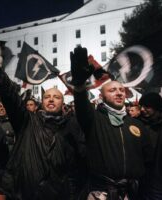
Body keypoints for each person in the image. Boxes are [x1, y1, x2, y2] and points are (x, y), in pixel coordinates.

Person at [0, 33, 86, 200]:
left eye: (56, 97)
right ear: (41, 102)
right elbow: (10, 96)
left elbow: (77, 168)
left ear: (63, 104)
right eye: (47, 97)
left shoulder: (71, 127)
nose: (51, 99)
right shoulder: (28, 121)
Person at [70, 45, 153, 200]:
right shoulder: (93, 119)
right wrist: (79, 85)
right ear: (102, 97)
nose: (119, 92)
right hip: (101, 193)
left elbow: (148, 162)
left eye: (121, 90)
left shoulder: (137, 125)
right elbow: (81, 105)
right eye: (112, 90)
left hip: (132, 194)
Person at [139, 92, 162, 199]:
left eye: (147, 106)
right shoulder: (139, 124)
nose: (142, 109)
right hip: (142, 178)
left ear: (156, 107)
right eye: (141, 106)